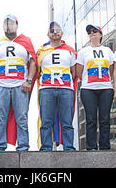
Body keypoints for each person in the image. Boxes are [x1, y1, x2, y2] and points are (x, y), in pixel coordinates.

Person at [0, 14, 37, 151]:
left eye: (12, 23)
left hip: (20, 85)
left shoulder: (26, 42)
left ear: (17, 26)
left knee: (22, 117)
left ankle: (23, 146)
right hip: (1, 86)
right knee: (0, 117)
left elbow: (33, 62)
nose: (9, 26)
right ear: (3, 26)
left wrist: (29, 81)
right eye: (6, 24)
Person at [36, 22, 77, 151]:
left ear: (62, 33)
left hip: (65, 89)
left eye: (57, 30)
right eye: (52, 30)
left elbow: (74, 72)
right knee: (46, 121)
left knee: (66, 121)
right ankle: (46, 147)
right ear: (48, 34)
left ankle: (69, 147)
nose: (55, 32)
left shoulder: (70, 51)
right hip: (46, 89)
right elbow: (36, 70)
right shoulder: (41, 51)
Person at [76, 24, 114, 150]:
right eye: (89, 32)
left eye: (94, 31)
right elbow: (79, 72)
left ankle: (104, 146)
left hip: (105, 87)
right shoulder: (83, 52)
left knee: (105, 119)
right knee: (91, 119)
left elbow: (111, 69)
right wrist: (89, 80)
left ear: (100, 34)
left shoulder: (108, 51)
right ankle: (91, 146)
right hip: (88, 88)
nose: (92, 33)